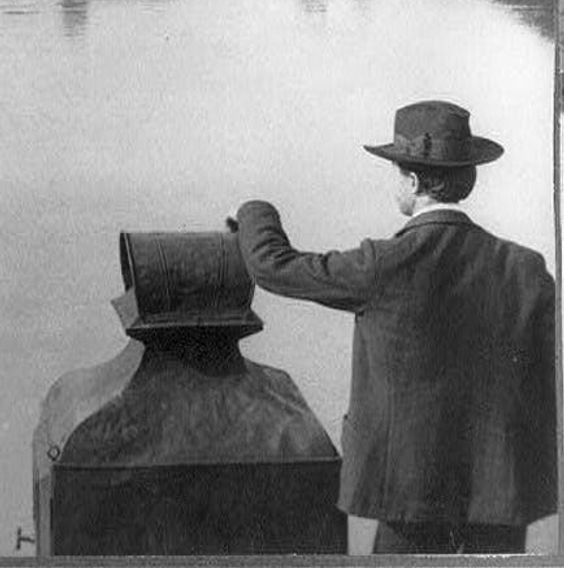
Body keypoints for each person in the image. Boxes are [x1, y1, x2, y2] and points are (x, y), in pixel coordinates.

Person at [229, 100, 557, 555]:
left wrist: (254, 212)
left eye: (396, 173)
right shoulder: (526, 269)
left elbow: (273, 266)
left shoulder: (383, 265)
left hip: (408, 495)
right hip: (500, 497)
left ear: (414, 182)